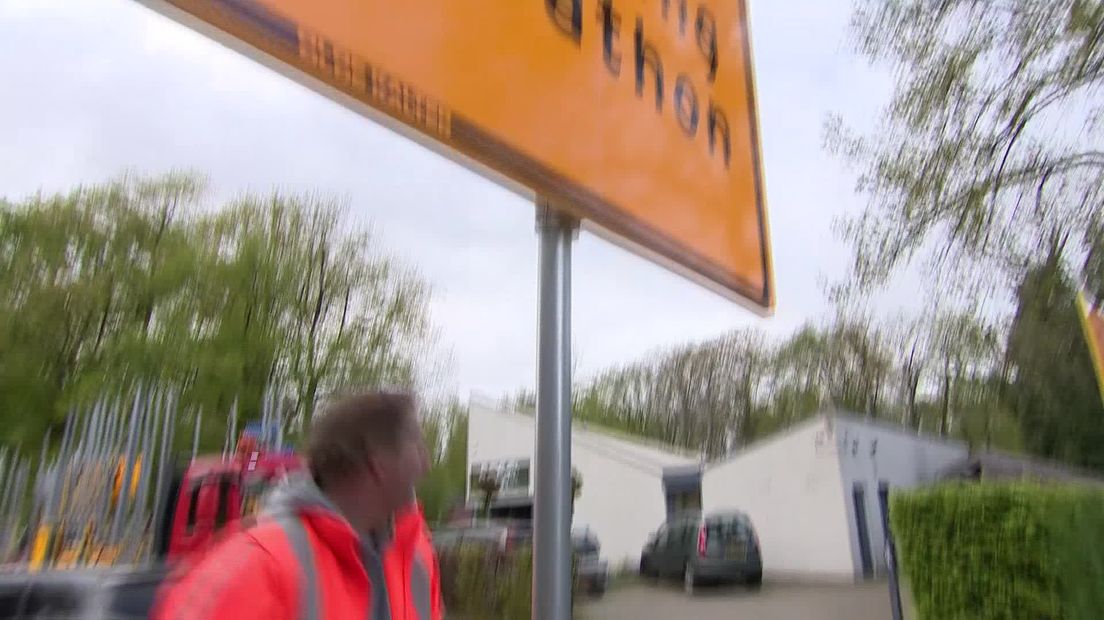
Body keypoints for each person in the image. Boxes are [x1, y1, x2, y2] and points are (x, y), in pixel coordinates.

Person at [153, 390, 443, 620]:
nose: (426, 464)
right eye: (417, 448)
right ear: (378, 463)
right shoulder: (257, 565)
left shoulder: (415, 555)